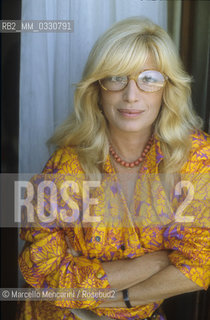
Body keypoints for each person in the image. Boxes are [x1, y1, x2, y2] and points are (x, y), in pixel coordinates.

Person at [18, 17, 210, 320]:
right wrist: (154, 264)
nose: (131, 95)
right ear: (97, 88)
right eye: (116, 77)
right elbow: (43, 267)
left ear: (167, 88)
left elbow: (201, 264)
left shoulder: (196, 157)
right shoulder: (66, 164)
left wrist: (123, 299)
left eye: (149, 79)